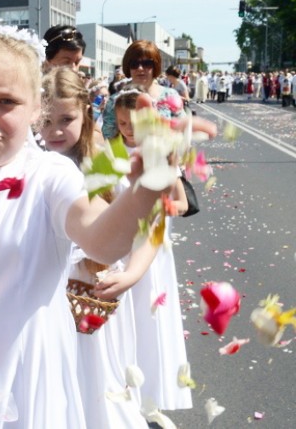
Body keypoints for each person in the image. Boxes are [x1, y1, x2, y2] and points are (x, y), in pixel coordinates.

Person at [0, 22, 216, 428]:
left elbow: (101, 241)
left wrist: (144, 188)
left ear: (36, 108)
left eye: (6, 101)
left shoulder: (49, 176)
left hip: (30, 373)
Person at [40, 67, 149, 428]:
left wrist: (131, 275)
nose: (55, 130)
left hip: (92, 296)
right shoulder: (32, 165)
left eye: (66, 119)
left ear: (87, 111)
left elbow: (149, 231)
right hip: (45, 297)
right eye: (46, 120)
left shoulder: (103, 161)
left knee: (96, 387)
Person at [112, 86, 192, 412]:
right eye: (122, 123)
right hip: (119, 248)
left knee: (150, 318)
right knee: (123, 322)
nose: (129, 130)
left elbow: (183, 204)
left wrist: (156, 211)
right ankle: (122, 389)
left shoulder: (161, 154)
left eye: (134, 123)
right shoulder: (109, 154)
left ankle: (153, 396)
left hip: (152, 249)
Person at [102, 40, 185, 139]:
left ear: (155, 66)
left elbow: (183, 131)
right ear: (128, 66)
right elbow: (109, 137)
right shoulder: (115, 100)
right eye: (134, 64)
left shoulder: (170, 96)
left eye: (147, 63)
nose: (140, 68)